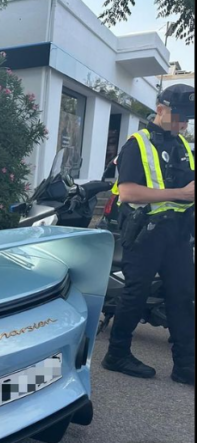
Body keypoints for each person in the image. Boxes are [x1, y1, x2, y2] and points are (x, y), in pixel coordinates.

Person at [102, 84, 196, 385]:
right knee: (136, 293)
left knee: (182, 296)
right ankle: (116, 354)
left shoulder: (182, 146)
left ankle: (185, 366)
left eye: (188, 119)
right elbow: (128, 192)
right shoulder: (137, 144)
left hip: (177, 235)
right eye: (180, 117)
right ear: (161, 109)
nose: (184, 124)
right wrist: (180, 192)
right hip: (145, 233)